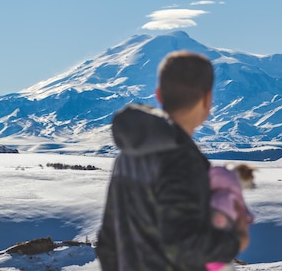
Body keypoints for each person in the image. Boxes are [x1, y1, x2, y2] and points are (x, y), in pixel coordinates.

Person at [96, 51, 249, 271]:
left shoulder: (128, 155)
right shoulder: (182, 161)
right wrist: (236, 241)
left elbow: (107, 241)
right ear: (208, 99)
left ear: (158, 95)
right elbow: (183, 246)